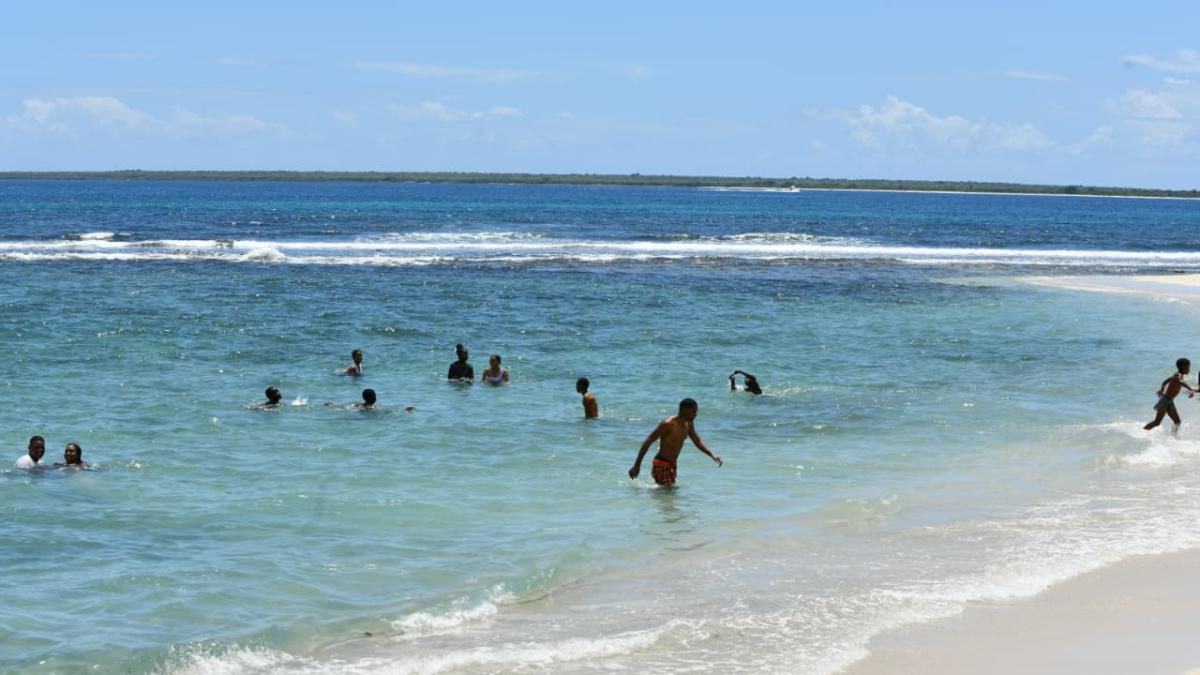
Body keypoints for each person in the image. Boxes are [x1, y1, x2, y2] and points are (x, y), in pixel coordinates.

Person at [628, 398, 722, 487]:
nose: (696, 414)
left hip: (672, 465)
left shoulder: (688, 424)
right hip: (661, 464)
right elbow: (648, 440)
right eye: (693, 411)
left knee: (667, 495)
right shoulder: (668, 424)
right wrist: (637, 465)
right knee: (668, 495)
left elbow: (697, 441)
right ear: (685, 410)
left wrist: (712, 455)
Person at [1145, 358, 1196, 431]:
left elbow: (1164, 382)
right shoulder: (1178, 376)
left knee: (1177, 422)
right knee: (1157, 422)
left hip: (1169, 401)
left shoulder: (1175, 375)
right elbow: (1181, 381)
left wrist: (1162, 390)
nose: (1189, 369)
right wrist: (1190, 389)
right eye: (1188, 367)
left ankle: (1172, 437)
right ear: (1182, 367)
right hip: (1165, 401)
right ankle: (1142, 431)